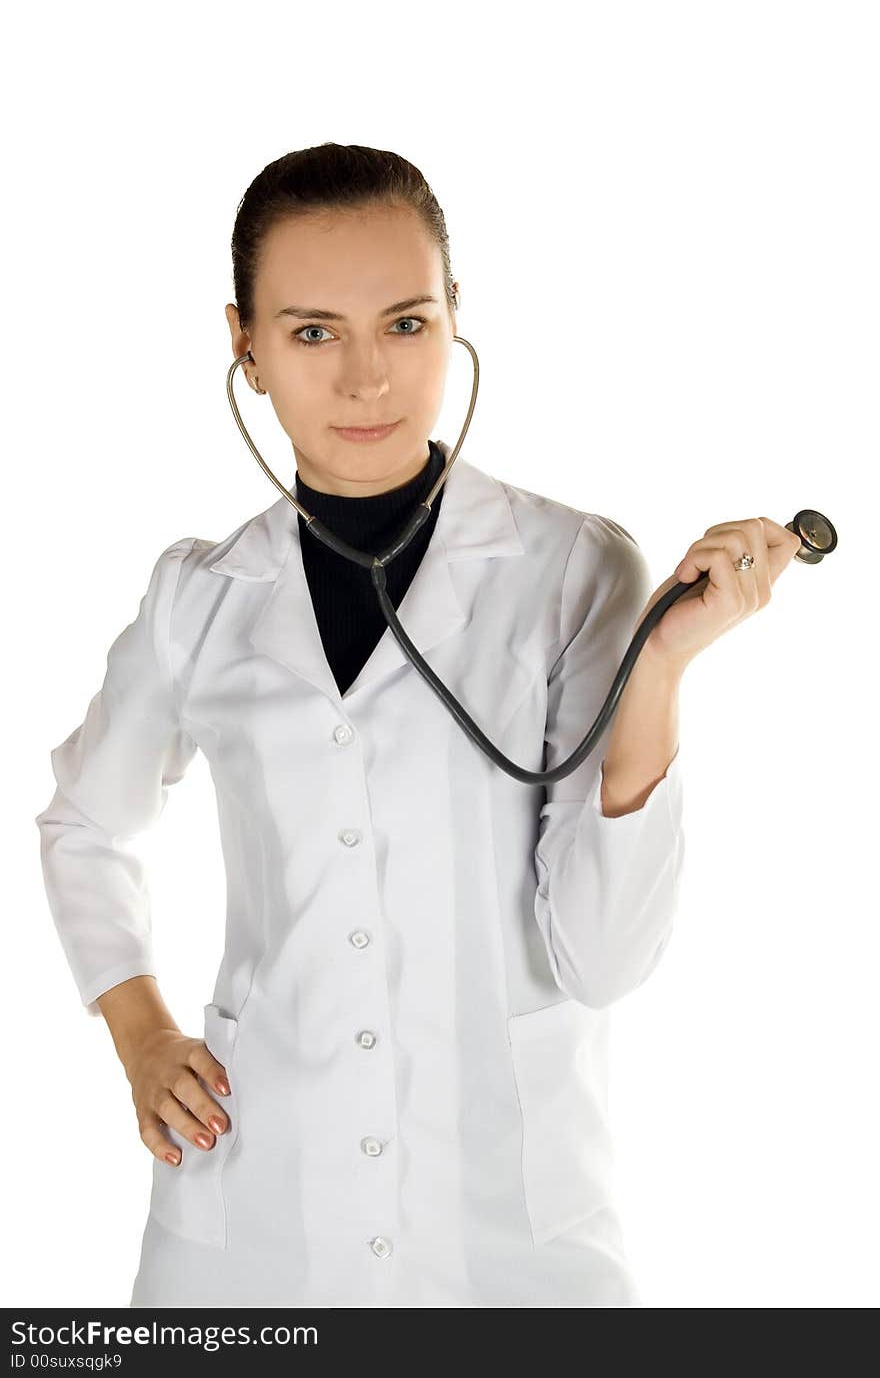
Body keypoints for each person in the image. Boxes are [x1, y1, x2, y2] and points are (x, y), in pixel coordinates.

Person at [34, 142, 801, 1309]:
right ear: (241, 341)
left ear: (455, 319)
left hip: (515, 1232)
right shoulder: (201, 596)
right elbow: (86, 823)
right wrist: (139, 1032)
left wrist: (656, 675)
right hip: (250, 1224)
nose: (365, 381)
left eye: (403, 323)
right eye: (309, 333)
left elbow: (605, 956)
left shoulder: (573, 567)